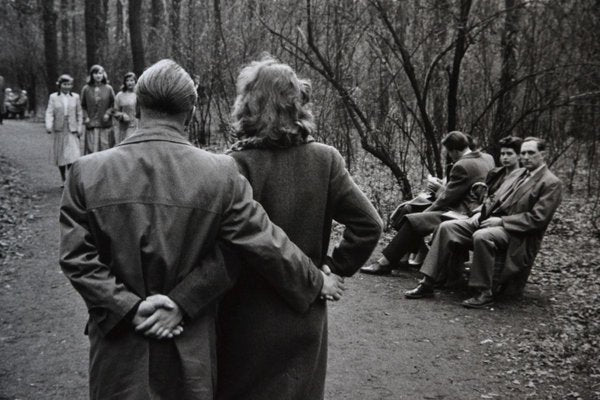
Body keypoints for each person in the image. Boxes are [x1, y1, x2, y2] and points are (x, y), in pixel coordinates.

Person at [59, 59, 346, 400]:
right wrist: (316, 280)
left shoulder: (85, 172)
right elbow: (258, 242)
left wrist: (129, 308)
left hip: (117, 348)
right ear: (191, 112)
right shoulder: (221, 173)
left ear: (138, 106)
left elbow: (77, 257)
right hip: (189, 348)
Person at [214, 56, 382, 400]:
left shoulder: (234, 165)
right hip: (304, 310)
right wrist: (333, 268)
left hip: (246, 313)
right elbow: (369, 224)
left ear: (249, 104)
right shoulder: (326, 159)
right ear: (297, 104)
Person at [405, 137, 562, 308]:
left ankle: (484, 293)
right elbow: (494, 198)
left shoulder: (551, 183)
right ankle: (427, 282)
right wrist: (480, 212)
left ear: (543, 154)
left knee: (482, 236)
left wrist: (502, 221)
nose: (525, 157)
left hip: (518, 234)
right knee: (447, 227)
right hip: (490, 220)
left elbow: (537, 220)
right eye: (523, 153)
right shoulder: (517, 174)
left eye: (531, 153)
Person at [361, 131, 494, 275]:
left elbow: (445, 199)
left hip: (461, 213)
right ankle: (403, 258)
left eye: (449, 152)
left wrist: (427, 210)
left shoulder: (462, 165)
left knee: (414, 220)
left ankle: (385, 263)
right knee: (410, 209)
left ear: (454, 151)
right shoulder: (488, 158)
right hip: (478, 208)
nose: (450, 156)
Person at [44, 74, 83, 186]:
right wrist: (49, 125)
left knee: (72, 154)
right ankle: (63, 179)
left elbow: (79, 113)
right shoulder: (53, 97)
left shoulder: (75, 97)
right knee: (61, 154)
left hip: (72, 128)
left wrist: (79, 127)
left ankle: (70, 179)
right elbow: (50, 112)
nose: (67, 87)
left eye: (69, 84)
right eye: (64, 84)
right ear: (59, 85)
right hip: (59, 129)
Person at [80, 64, 115, 153]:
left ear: (103, 74)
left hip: (105, 124)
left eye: (100, 73)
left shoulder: (108, 88)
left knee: (105, 148)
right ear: (91, 75)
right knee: (92, 150)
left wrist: (108, 113)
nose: (98, 75)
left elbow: (114, 104)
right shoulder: (86, 89)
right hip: (91, 124)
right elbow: (82, 106)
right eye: (95, 73)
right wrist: (86, 117)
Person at [113, 72, 138, 144]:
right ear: (124, 82)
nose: (129, 83)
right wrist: (122, 115)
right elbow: (115, 111)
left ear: (135, 81)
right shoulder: (120, 95)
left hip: (139, 126)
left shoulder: (140, 93)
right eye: (127, 80)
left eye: (132, 80)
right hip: (125, 127)